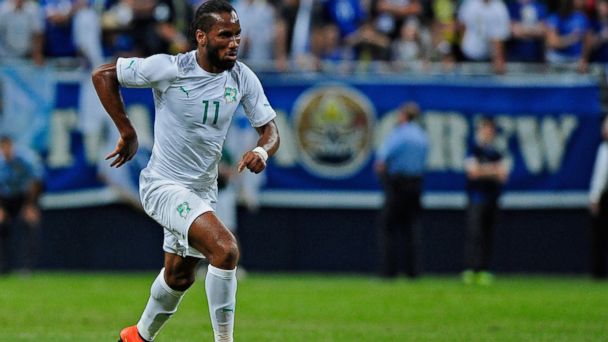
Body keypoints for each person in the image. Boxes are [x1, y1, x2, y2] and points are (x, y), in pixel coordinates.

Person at [91, 1, 280, 341]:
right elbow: (104, 75)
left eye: (237, 35)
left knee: (179, 277)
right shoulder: (171, 68)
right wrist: (127, 132)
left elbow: (270, 131)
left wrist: (261, 150)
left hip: (202, 192)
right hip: (163, 186)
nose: (234, 43)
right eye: (225, 35)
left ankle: (135, 337)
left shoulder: (242, 77)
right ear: (201, 37)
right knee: (225, 250)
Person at [375, 102, 429, 279]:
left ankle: (389, 272)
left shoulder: (399, 135)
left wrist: (385, 179)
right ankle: (413, 272)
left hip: (397, 185)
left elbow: (382, 160)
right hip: (416, 185)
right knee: (412, 229)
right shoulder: (422, 137)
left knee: (389, 228)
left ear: (404, 116)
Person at [462, 117, 508, 285]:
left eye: (490, 130)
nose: (488, 133)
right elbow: (472, 173)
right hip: (476, 199)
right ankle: (470, 269)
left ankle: (483, 270)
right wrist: (493, 170)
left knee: (488, 234)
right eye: (485, 129)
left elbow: (503, 175)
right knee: (475, 234)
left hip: (492, 198)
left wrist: (484, 170)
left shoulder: (496, 152)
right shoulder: (473, 150)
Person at [0, 135, 44, 274]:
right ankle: (3, 266)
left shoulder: (25, 159)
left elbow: (36, 181)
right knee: (1, 226)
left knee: (30, 224)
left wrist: (30, 205)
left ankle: (27, 267)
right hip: (5, 198)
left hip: (24, 197)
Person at [457, 0, 510, 74]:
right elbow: (462, 25)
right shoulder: (469, 4)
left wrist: (498, 58)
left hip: (489, 58)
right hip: (468, 54)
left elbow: (499, 35)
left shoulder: (499, 7)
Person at [588, 115, 608, 279]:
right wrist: (595, 197)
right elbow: (599, 176)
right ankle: (599, 271)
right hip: (604, 197)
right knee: (599, 235)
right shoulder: (603, 149)